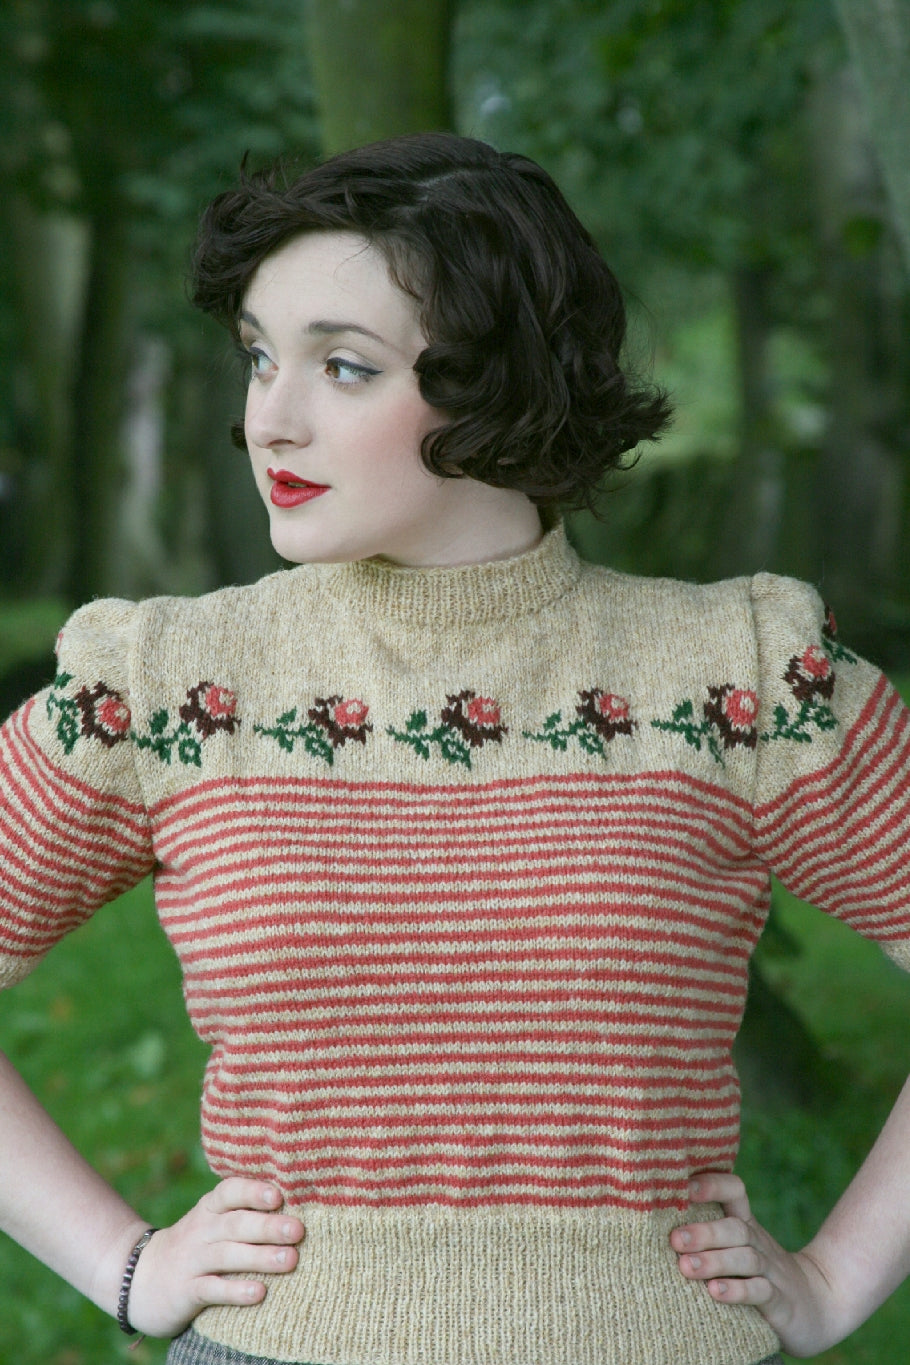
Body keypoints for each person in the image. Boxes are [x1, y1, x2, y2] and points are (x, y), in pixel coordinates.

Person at [0, 131, 908, 1365]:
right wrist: (126, 1266)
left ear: (502, 380)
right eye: (259, 356)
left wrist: (838, 1278)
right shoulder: (169, 687)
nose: (271, 415)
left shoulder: (738, 677)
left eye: (345, 367)